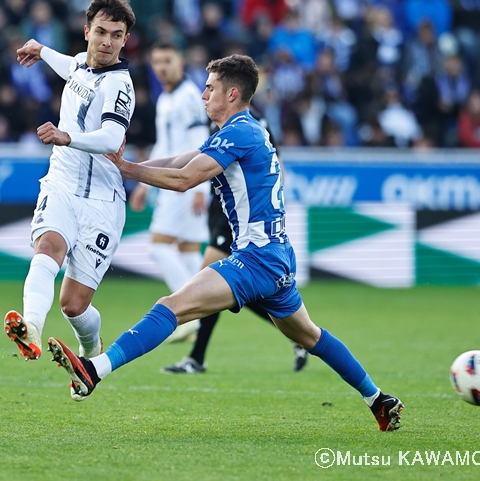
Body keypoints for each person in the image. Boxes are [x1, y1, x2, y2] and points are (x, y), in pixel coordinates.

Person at [47, 55, 404, 431]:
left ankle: (95, 370)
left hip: (257, 258)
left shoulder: (240, 132)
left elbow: (185, 179)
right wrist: (127, 164)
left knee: (172, 306)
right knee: (310, 335)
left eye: (210, 88)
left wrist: (129, 170)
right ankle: (378, 399)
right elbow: (184, 158)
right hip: (276, 256)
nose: (203, 95)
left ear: (232, 93)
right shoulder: (243, 129)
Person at [3, 0, 137, 364]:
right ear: (86, 32)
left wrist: (67, 137)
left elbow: (112, 137)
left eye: (116, 34)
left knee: (74, 306)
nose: (107, 42)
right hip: (61, 183)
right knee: (47, 248)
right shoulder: (81, 63)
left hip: (102, 201)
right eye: (101, 32)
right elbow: (74, 70)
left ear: (125, 39)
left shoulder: (120, 86)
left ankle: (91, 350)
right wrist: (42, 50)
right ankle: (29, 328)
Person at [161, 113, 308, 374]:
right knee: (235, 288)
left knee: (209, 281)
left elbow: (277, 169)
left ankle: (196, 358)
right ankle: (298, 335)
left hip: (241, 218)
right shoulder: (215, 122)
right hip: (221, 211)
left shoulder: (254, 124)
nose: (206, 94)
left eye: (212, 87)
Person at [128, 42, 209, 343]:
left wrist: (200, 187)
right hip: (177, 182)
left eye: (167, 60)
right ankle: (199, 318)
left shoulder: (188, 97)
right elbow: (164, 146)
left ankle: (183, 314)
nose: (161, 67)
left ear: (180, 62)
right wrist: (143, 183)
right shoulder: (166, 99)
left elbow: (201, 141)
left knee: (158, 247)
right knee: (188, 251)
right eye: (157, 61)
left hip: (184, 184)